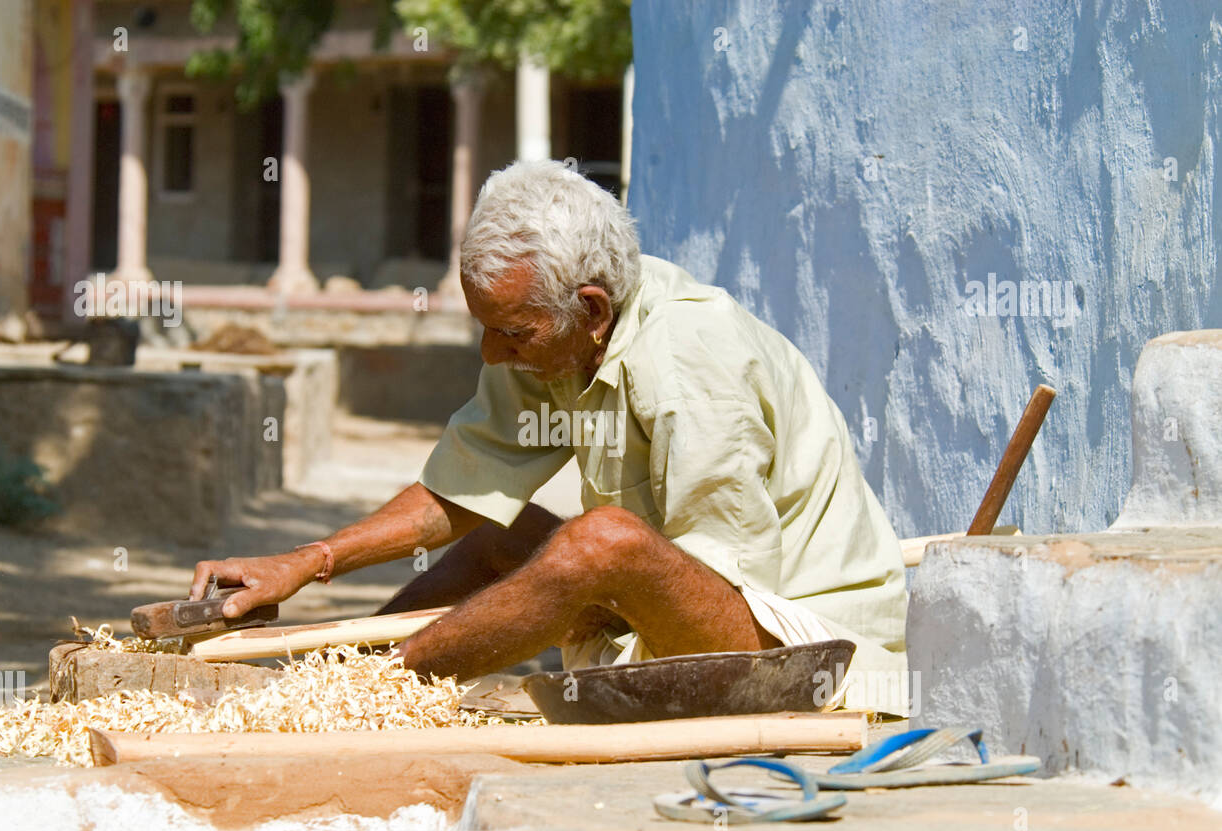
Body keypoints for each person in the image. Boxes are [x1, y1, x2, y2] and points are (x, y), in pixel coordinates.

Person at [190, 160, 910, 713]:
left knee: (599, 542)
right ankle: (344, 679)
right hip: (704, 606)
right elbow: (467, 486)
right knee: (507, 541)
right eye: (487, 330)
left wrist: (578, 588)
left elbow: (719, 578)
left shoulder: (689, 354)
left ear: (590, 308)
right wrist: (307, 560)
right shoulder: (559, 332)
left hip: (807, 653)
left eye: (510, 334)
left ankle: (364, 692)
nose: (492, 354)